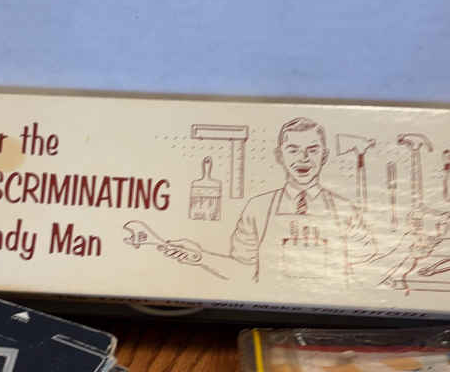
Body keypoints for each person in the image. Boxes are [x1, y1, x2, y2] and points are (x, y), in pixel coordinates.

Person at [161, 117, 376, 284]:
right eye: (293, 150)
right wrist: (200, 257)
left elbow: (366, 269)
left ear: (325, 156)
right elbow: (242, 271)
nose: (303, 158)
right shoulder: (258, 208)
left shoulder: (345, 210)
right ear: (279, 155)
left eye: (312, 150)